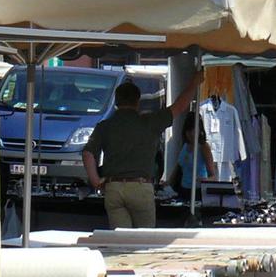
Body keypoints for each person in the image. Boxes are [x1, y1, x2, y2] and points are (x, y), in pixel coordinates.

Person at [80, 75, 202, 229]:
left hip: (114, 187)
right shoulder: (150, 122)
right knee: (143, 240)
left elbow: (87, 154)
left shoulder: (104, 126)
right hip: (141, 187)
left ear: (116, 101)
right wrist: (194, 82)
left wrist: (96, 181)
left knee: (120, 239)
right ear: (138, 101)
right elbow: (179, 106)